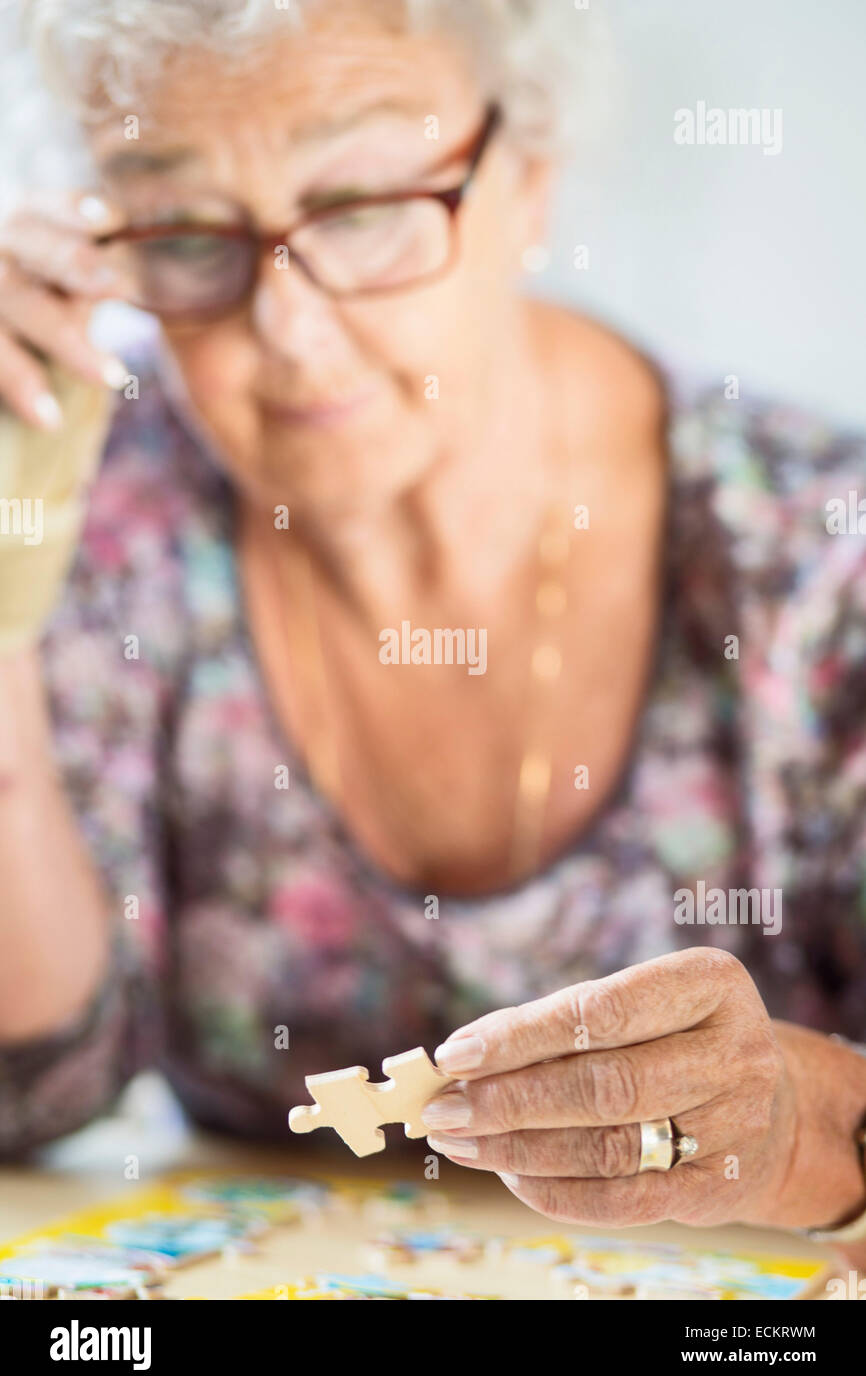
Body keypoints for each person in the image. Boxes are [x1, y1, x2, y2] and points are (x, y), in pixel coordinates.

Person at [0, 0, 864, 1254]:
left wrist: (806, 1135)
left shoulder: (812, 556)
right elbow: (36, 1083)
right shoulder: (88, 507)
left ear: (530, 173)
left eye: (360, 209)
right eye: (185, 233)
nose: (285, 330)